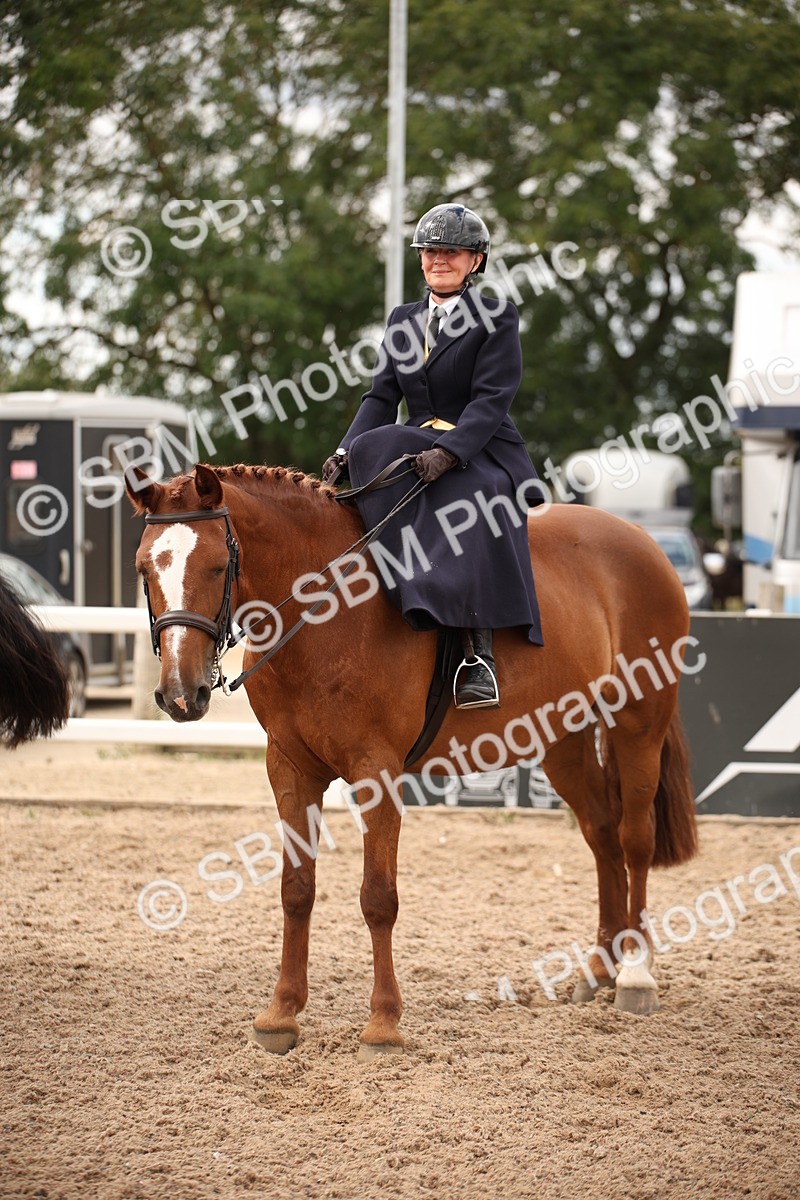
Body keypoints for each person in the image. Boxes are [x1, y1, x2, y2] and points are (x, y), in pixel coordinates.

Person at [322, 203, 543, 708]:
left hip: (480, 446)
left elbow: (492, 400)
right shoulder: (403, 319)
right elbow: (381, 397)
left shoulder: (496, 315)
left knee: (476, 497)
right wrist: (344, 450)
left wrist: (450, 452)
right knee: (373, 456)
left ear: (475, 261)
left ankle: (477, 655)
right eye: (430, 252)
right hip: (416, 440)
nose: (438, 260)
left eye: (451, 252)